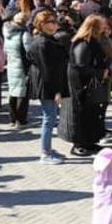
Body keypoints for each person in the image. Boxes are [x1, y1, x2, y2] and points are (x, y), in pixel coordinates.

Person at [67, 14, 112, 157]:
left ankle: (89, 141)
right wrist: (99, 73)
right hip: (81, 84)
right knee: (81, 113)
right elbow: (81, 66)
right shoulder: (82, 44)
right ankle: (78, 143)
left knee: (91, 113)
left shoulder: (92, 42)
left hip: (91, 83)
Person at [28, 11, 69, 165]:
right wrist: (56, 91)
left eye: (54, 21)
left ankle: (48, 149)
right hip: (46, 85)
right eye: (51, 21)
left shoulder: (49, 39)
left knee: (51, 116)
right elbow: (47, 70)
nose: (54, 23)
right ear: (42, 24)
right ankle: (45, 153)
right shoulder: (41, 43)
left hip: (50, 83)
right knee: (48, 118)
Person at [3, 12, 31, 129]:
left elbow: (5, 49)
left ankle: (12, 119)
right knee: (22, 94)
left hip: (11, 65)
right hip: (22, 66)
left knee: (13, 92)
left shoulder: (8, 33)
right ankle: (21, 120)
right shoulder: (24, 34)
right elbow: (29, 52)